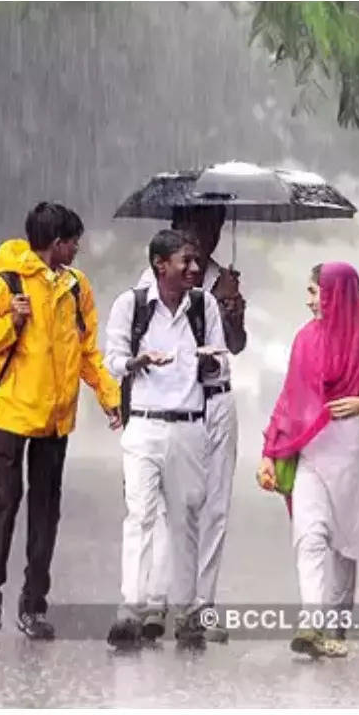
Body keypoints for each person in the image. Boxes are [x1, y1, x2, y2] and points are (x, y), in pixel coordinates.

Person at [0, 202, 122, 640]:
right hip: (11, 412)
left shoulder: (75, 287)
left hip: (56, 417)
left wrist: (109, 395)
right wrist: (10, 320)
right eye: (74, 242)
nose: (78, 248)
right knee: (3, 504)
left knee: (46, 510)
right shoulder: (7, 283)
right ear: (56, 244)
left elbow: (87, 352)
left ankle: (34, 605)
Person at [104, 228, 231, 647]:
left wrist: (209, 363)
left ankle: (187, 610)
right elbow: (113, 362)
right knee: (139, 515)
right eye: (186, 261)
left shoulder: (204, 306)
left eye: (195, 261)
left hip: (189, 425)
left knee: (185, 519)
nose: (195, 268)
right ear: (161, 265)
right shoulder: (132, 305)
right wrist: (136, 361)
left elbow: (218, 369)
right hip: (144, 425)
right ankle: (131, 608)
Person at [256, 262, 359, 660]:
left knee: (345, 547)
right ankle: (312, 623)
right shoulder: (304, 340)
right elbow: (288, 399)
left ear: (339, 295)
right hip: (310, 450)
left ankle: (336, 627)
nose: (309, 300)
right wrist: (269, 450)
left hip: (351, 456)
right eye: (311, 292)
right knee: (311, 536)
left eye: (316, 292)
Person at [133, 204, 245, 643]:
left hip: (217, 403)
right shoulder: (151, 288)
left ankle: (201, 605)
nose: (206, 238)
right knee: (171, 506)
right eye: (199, 227)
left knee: (215, 507)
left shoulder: (221, 278)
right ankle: (158, 600)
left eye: (215, 226)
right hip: (176, 408)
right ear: (179, 229)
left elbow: (235, 345)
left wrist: (231, 306)